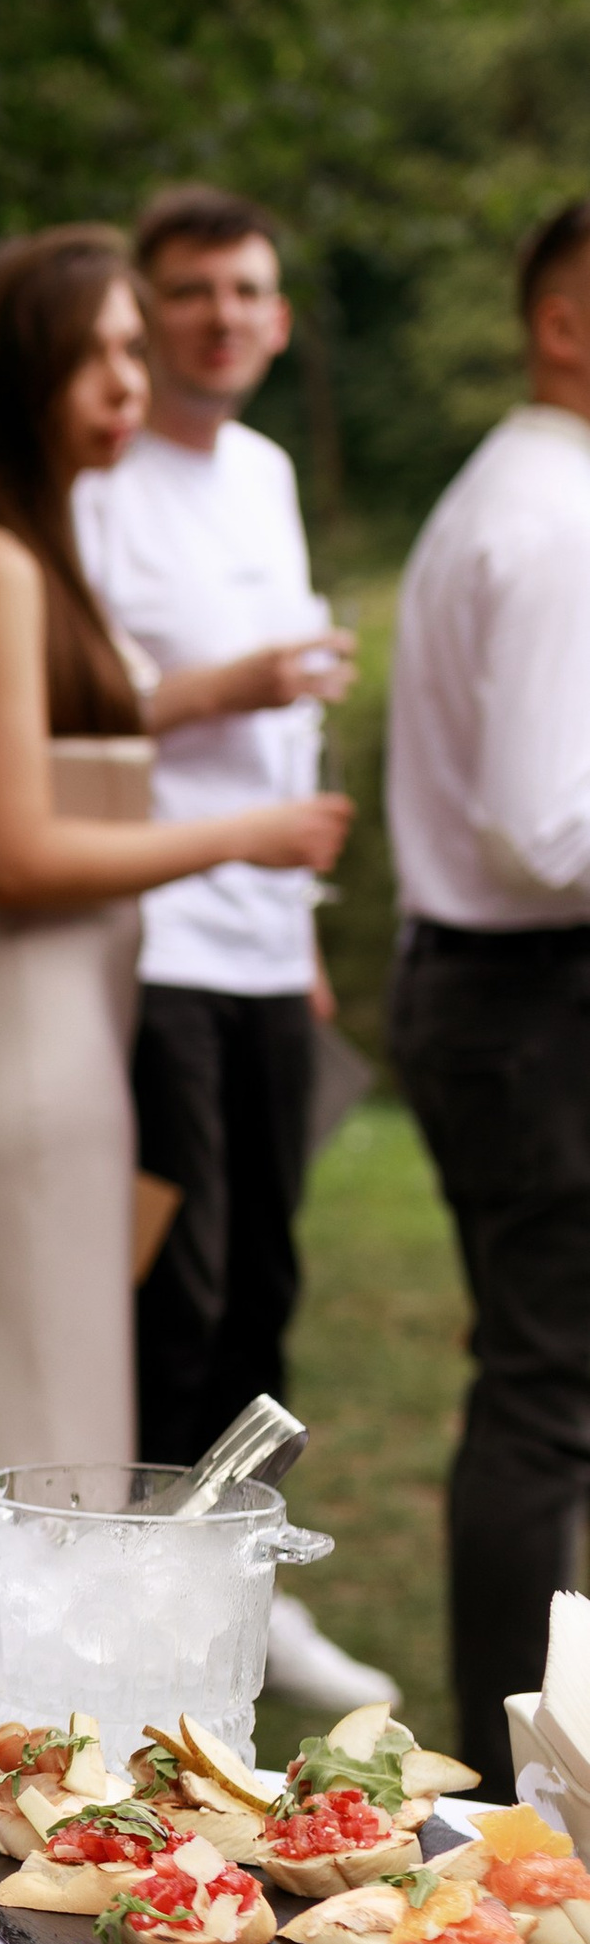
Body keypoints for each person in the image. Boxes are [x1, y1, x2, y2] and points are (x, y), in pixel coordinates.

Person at [0, 225, 354, 1684]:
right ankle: (7, 1753)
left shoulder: (40, 558)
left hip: (67, 1017)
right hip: (24, 1019)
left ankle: (36, 1731)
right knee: (35, 1427)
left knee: (65, 1412)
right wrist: (248, 835)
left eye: (125, 347)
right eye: (97, 349)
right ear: (20, 371)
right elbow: (19, 844)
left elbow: (100, 725)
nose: (129, 374)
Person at [73, 184, 394, 1719]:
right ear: (148, 311)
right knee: (176, 1289)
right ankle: (133, 1596)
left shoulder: (264, 472)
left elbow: (296, 730)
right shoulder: (102, 481)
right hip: (159, 934)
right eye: (192, 291)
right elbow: (76, 704)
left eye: (249, 290)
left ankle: (244, 1595)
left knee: (266, 1280)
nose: (224, 315)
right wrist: (239, 680)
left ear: (278, 313)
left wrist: (310, 936)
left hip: (271, 943)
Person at [388, 196, 590, 1773]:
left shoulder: (528, 493)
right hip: (535, 1001)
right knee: (543, 1392)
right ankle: (515, 1782)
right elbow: (542, 830)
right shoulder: (553, 515)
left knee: (545, 1380)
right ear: (562, 320)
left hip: (506, 996)